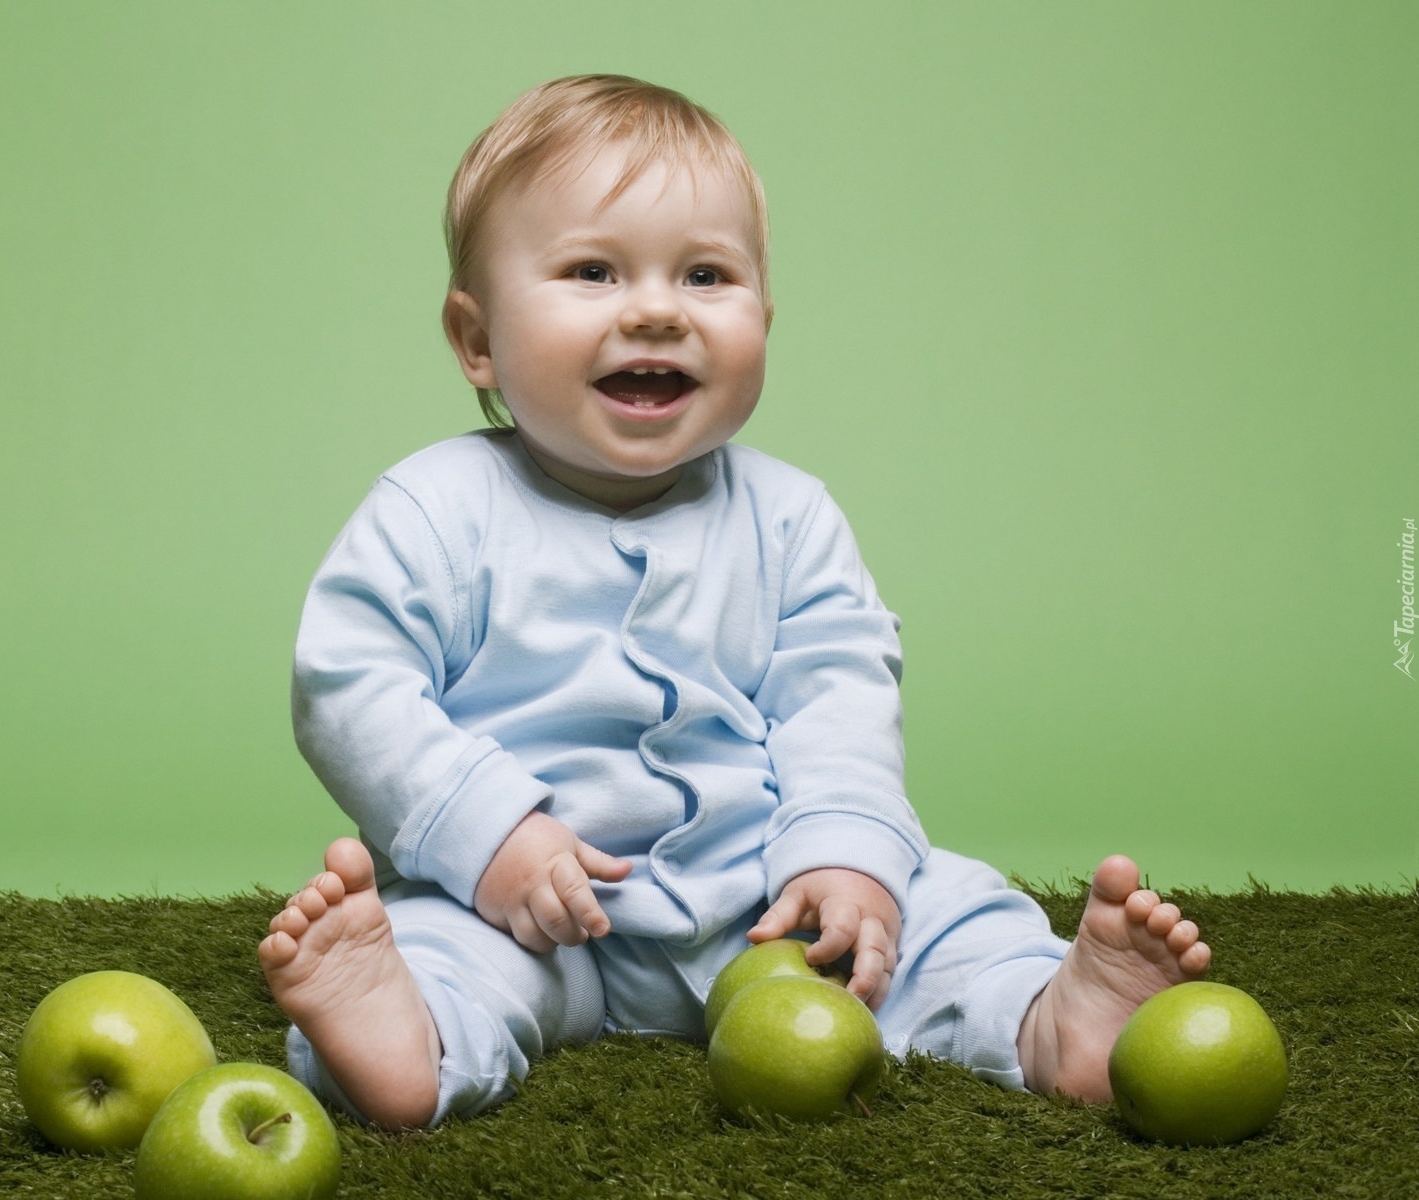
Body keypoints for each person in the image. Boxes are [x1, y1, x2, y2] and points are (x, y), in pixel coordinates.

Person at [257, 74, 1210, 1131]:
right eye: (592, 271)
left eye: (707, 274)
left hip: (767, 904)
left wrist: (844, 854)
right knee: (445, 957)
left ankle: (1048, 1014)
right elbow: (350, 687)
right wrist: (491, 838)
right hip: (528, 913)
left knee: (942, 912)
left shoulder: (789, 517)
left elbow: (838, 693)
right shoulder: (436, 512)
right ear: (476, 339)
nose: (658, 308)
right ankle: (402, 1039)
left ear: (765, 315)